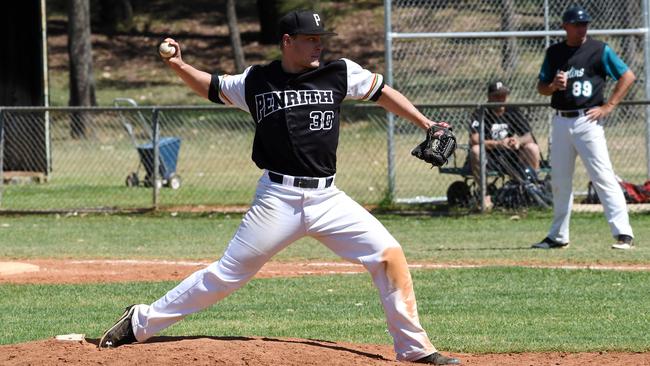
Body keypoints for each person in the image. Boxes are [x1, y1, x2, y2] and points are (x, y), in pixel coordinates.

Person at [98, 10, 460, 365]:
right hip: (277, 198)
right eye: (310, 40)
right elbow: (211, 86)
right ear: (287, 41)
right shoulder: (257, 81)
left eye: (321, 40)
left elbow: (382, 92)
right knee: (227, 275)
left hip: (328, 198)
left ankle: (414, 348)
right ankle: (139, 321)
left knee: (388, 254)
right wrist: (177, 65)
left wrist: (426, 123)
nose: (318, 47)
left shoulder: (340, 72)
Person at [532, 4, 636, 250]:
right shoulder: (555, 52)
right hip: (560, 120)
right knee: (560, 180)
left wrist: (608, 106)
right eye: (577, 24)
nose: (582, 28)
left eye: (585, 24)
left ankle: (623, 234)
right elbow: (541, 87)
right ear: (565, 26)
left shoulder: (599, 50)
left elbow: (627, 76)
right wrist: (553, 86)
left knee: (603, 176)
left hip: (588, 121)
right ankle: (558, 236)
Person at [469, 80, 541, 182]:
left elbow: (529, 136)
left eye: (503, 95)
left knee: (532, 148)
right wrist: (498, 144)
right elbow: (474, 140)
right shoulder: (481, 112)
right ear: (489, 97)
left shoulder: (513, 110)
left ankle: (533, 188)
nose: (501, 99)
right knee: (476, 150)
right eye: (497, 96)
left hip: (510, 156)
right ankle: (484, 194)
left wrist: (517, 141)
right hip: (489, 156)